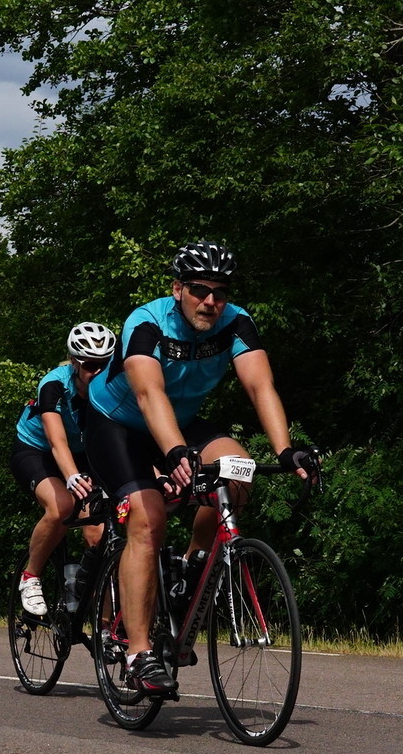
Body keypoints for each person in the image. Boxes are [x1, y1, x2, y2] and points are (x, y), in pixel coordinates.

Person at [83, 241, 319, 698]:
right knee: (147, 518)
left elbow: (260, 385)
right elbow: (149, 395)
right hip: (118, 424)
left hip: (182, 421)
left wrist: (286, 450)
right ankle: (138, 653)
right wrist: (174, 453)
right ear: (178, 289)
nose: (210, 300)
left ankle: (191, 569)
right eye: (198, 290)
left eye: (220, 292)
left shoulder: (236, 323)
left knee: (240, 472)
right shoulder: (146, 322)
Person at [12, 322, 115, 615]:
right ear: (74, 362)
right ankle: (30, 576)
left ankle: (102, 623)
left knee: (101, 534)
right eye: (90, 365)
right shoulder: (54, 385)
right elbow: (57, 442)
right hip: (37, 450)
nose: (98, 372)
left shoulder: (114, 386)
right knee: (63, 508)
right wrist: (71, 477)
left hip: (82, 453)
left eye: (105, 364)